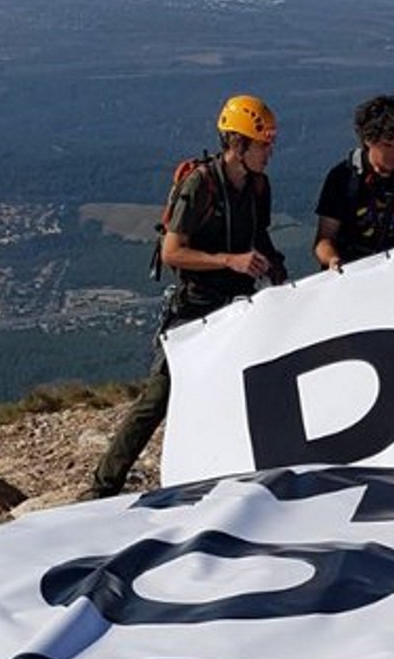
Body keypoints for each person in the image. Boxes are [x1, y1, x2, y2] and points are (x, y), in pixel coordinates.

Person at [89, 93, 285, 497]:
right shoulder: (200, 185)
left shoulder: (257, 186)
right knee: (158, 397)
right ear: (238, 144)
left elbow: (258, 235)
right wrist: (229, 261)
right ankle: (102, 487)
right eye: (263, 144)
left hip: (238, 306)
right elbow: (172, 251)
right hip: (196, 307)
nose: (270, 152)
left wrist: (278, 273)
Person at [312, 95, 394, 269]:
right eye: (388, 145)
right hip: (354, 272)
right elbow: (324, 239)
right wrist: (333, 260)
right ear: (368, 141)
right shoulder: (342, 179)